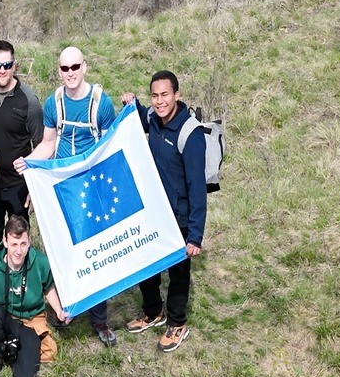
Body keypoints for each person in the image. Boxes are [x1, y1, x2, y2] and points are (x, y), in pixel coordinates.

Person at [21, 45, 126, 347]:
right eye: (65, 69)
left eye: (75, 67)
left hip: (91, 186)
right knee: (62, 249)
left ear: (84, 67)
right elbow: (48, 143)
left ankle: (100, 318)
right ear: (59, 70)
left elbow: (110, 145)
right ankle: (65, 308)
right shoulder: (53, 103)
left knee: (96, 250)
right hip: (62, 185)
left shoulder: (100, 103)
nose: (70, 74)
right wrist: (31, 163)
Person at [129, 70, 209, 352]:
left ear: (177, 95)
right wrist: (135, 105)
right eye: (155, 95)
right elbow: (141, 119)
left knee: (178, 272)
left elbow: (197, 187)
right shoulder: (154, 118)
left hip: (181, 217)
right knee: (147, 265)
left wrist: (195, 236)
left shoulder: (190, 133)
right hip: (154, 212)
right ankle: (153, 312)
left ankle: (177, 323)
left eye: (165, 95)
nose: (160, 101)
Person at [0, 215, 68, 377]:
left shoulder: (40, 262)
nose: (18, 251)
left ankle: (15, 349)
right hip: (5, 317)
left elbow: (48, 288)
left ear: (29, 241)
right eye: (14, 244)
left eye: (23, 244)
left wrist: (59, 311)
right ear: (5, 242)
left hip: (30, 322)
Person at [0, 40, 42, 272]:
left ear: (15, 65)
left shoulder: (28, 101)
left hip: (18, 187)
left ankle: (23, 296)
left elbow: (41, 144)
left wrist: (34, 187)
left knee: (19, 244)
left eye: (7, 64)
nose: (2, 70)